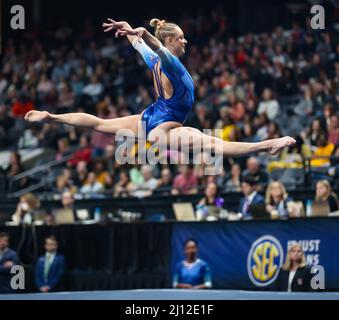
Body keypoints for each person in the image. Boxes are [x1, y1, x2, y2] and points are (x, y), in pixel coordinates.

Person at [24, 19, 295, 161]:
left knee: (100, 124)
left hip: (151, 116)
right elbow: (156, 48)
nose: (185, 40)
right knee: (215, 145)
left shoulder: (155, 61)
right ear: (169, 40)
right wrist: (144, 34)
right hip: (163, 128)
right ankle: (268, 145)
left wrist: (131, 31)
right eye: (181, 37)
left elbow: (140, 46)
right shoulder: (170, 63)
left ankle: (52, 117)